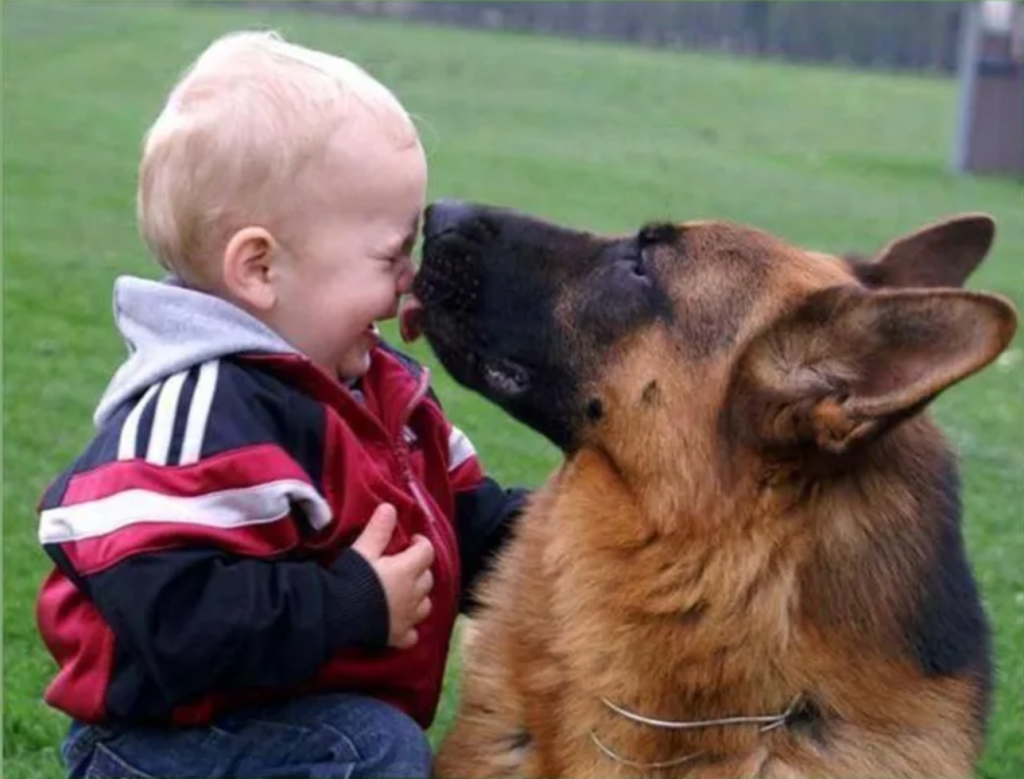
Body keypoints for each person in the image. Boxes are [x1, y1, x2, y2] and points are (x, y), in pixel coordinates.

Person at [35, 30, 527, 779]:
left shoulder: (382, 394)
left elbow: (469, 520)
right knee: (371, 750)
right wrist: (350, 602)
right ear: (260, 268)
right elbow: (171, 618)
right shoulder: (200, 411)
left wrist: (580, 532)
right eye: (390, 257)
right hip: (157, 743)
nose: (411, 284)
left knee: (365, 739)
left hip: (275, 721)